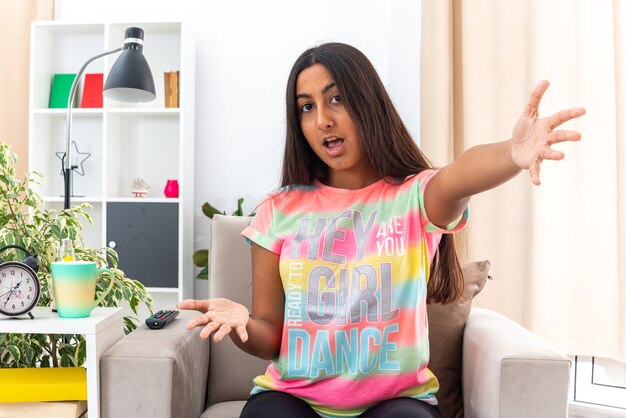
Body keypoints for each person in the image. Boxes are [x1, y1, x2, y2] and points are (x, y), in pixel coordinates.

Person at [178, 42, 585, 418]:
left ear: (368, 103)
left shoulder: (416, 197)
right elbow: (269, 336)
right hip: (293, 398)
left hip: (396, 403)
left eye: (336, 98)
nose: (322, 120)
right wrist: (243, 323)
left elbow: (461, 175)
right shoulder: (278, 209)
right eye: (306, 107)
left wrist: (511, 155)